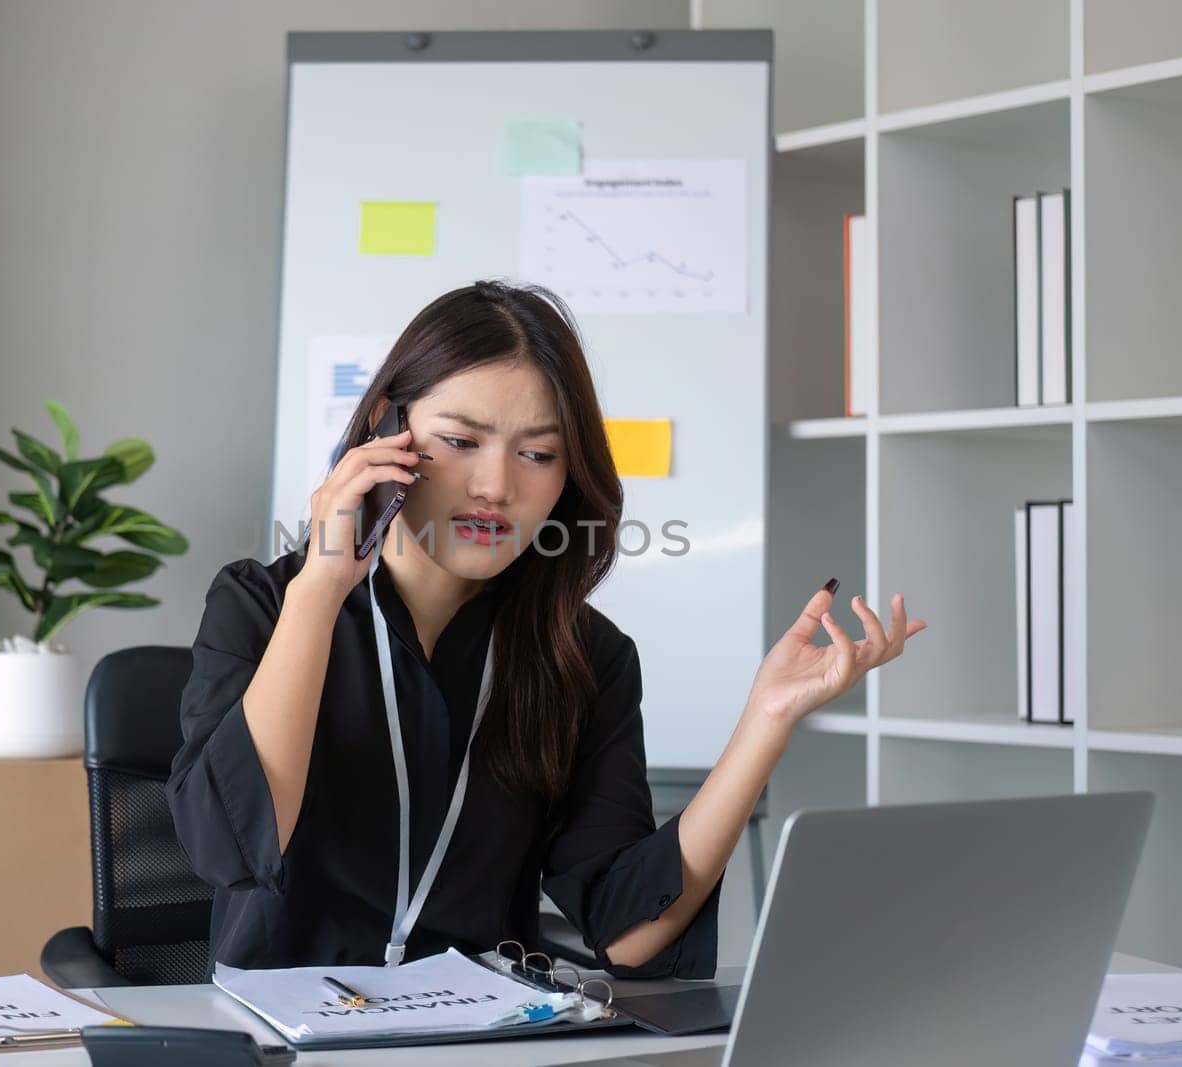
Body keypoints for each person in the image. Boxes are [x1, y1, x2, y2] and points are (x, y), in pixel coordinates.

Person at [166, 280, 925, 978]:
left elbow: (625, 927)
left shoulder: (583, 656)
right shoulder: (263, 607)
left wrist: (767, 719)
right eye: (461, 442)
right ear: (385, 430)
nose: (497, 486)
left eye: (537, 454)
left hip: (489, 1049)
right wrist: (323, 585)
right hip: (283, 1043)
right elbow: (228, 848)